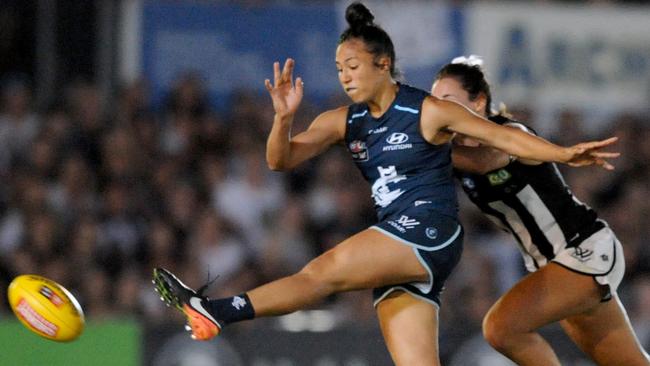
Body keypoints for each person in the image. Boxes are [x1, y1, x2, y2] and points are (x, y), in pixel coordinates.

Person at [152, 3, 619, 365]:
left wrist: (565, 153)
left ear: (383, 63)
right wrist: (282, 119)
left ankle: (218, 309)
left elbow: (500, 136)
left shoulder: (426, 110)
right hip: (404, 248)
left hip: (425, 232)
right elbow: (281, 160)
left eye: (353, 66)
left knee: (319, 275)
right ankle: (216, 309)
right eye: (338, 69)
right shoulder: (344, 120)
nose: (345, 77)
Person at [431, 55, 650, 366]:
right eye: (434, 101)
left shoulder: (510, 132)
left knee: (500, 328)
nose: (437, 108)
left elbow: (485, 160)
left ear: (478, 103)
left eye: (447, 99)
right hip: (555, 268)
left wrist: (421, 144)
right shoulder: (454, 153)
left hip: (582, 251)